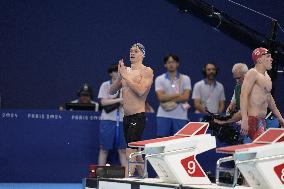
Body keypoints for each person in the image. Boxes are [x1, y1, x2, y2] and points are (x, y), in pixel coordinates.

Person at [109, 43, 154, 177]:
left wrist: (126, 76)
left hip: (138, 116)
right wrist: (119, 76)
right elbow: (111, 91)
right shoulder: (125, 71)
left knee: (131, 149)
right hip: (126, 117)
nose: (132, 53)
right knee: (136, 150)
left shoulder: (146, 71)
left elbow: (141, 91)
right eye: (131, 50)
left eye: (136, 51)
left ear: (143, 54)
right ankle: (144, 178)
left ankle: (127, 180)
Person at [240, 47, 284, 140]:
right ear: (259, 60)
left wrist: (280, 118)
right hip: (253, 120)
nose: (271, 59)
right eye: (268, 56)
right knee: (261, 148)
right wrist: (244, 119)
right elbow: (243, 95)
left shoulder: (267, 77)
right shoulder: (252, 73)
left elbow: (269, 98)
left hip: (262, 120)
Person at [97, 64, 127, 168]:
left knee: (123, 150)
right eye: (115, 71)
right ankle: (99, 175)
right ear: (111, 73)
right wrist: (119, 100)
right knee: (104, 149)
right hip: (108, 120)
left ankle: (126, 177)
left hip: (123, 120)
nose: (118, 73)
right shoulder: (105, 85)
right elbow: (103, 102)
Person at [155, 54, 191, 137]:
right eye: (169, 62)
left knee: (180, 143)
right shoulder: (159, 79)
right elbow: (160, 97)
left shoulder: (186, 78)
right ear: (165, 64)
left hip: (181, 116)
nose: (171, 64)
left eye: (173, 62)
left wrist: (167, 97)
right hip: (163, 115)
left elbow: (186, 97)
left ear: (177, 64)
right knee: (162, 142)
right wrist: (177, 95)